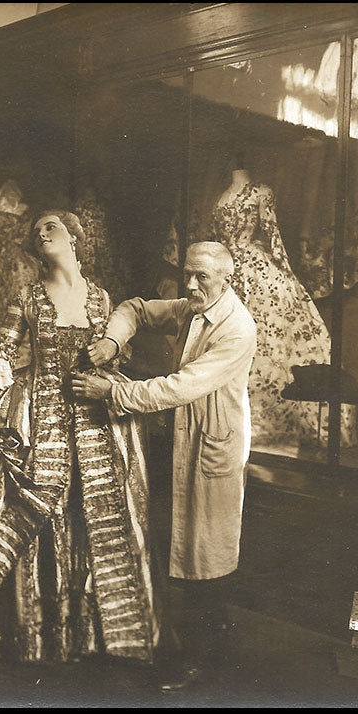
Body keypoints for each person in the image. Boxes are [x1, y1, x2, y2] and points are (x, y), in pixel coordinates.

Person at [0, 210, 160, 665]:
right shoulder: (27, 297)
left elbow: (114, 359)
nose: (41, 234)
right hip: (40, 416)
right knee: (42, 512)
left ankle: (96, 639)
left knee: (96, 519)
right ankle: (35, 639)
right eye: (36, 231)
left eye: (52, 227)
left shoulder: (102, 300)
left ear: (75, 239)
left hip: (97, 422)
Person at [71, 241, 257, 690]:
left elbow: (179, 387)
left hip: (213, 444)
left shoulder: (236, 328)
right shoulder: (191, 307)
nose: (190, 284)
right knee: (175, 544)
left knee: (205, 554)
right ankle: (184, 644)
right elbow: (135, 308)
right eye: (187, 274)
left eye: (201, 277)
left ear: (225, 279)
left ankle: (203, 662)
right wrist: (114, 337)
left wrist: (112, 393)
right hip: (178, 439)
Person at [209, 164, 355, 453]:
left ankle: (267, 424)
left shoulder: (260, 191)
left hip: (255, 271)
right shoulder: (222, 193)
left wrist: (286, 278)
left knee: (269, 340)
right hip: (225, 268)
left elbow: (273, 237)